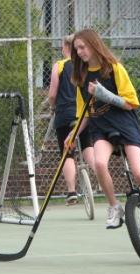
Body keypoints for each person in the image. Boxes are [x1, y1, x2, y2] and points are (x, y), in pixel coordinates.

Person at [66, 28, 140, 245]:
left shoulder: (114, 68)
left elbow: (131, 103)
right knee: (99, 163)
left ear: (93, 44)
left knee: (139, 173)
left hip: (124, 124)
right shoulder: (80, 78)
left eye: (82, 47)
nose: (79, 52)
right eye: (76, 49)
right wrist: (73, 134)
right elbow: (85, 114)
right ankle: (114, 207)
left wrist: (104, 94)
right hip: (100, 128)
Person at [48, 34, 95, 206]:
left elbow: (52, 93)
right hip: (83, 113)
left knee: (67, 153)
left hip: (65, 114)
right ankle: (102, 174)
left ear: (66, 47)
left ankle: (71, 191)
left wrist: (53, 106)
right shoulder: (84, 66)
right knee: (88, 146)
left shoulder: (59, 65)